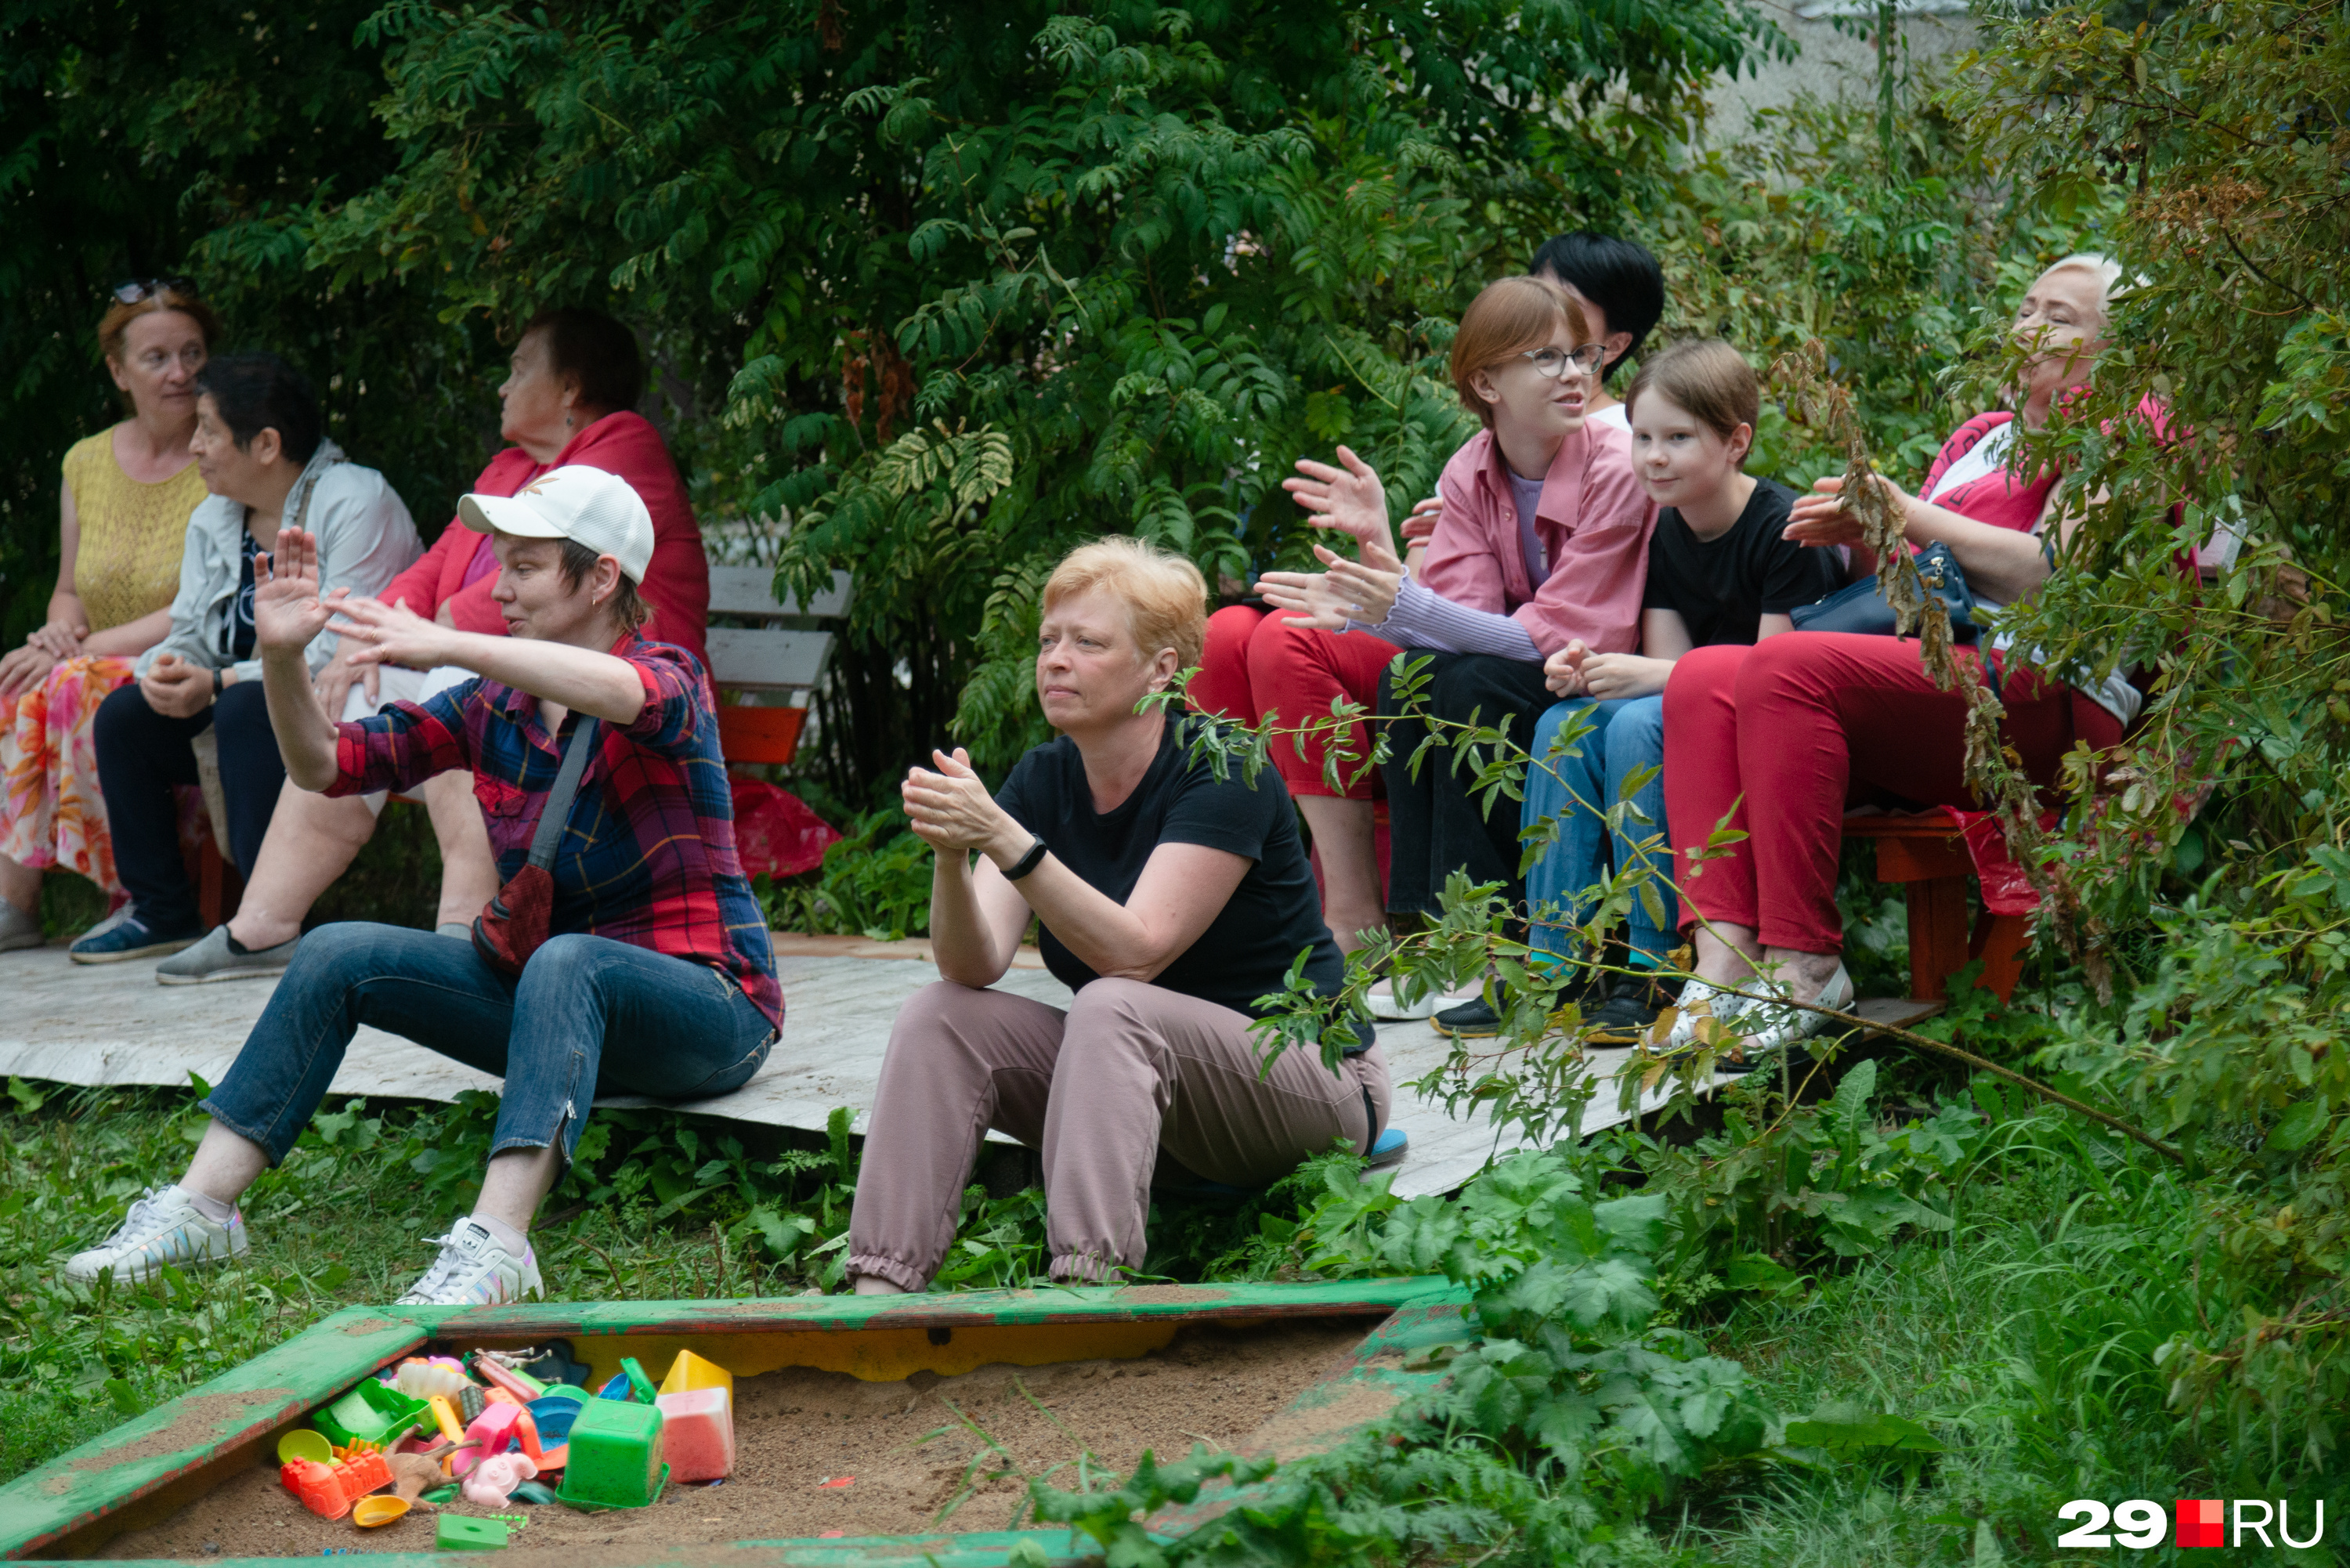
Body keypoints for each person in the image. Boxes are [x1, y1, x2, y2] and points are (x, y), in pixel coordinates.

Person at [60, 466, 780, 1303]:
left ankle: (499, 1244)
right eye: (497, 564)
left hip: (710, 1009)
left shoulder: (672, 675)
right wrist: (284, 659)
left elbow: (625, 694)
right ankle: (203, 1207)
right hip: (563, 1014)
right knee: (337, 951)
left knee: (568, 959)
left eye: (524, 567)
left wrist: (445, 644)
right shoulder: (492, 706)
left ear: (602, 577)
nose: (497, 589)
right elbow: (326, 764)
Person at [846, 538, 1393, 1293]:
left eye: (1087, 642)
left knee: (1113, 1003)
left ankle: (1085, 1285)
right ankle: (880, 1287)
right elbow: (971, 967)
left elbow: (1136, 954)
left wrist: (1004, 838)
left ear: (1162, 668)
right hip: (1150, 1090)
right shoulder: (1043, 776)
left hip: (1310, 1083)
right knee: (941, 1014)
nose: (1055, 660)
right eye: (1048, 641)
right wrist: (952, 854)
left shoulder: (1222, 765)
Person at [1658, 255, 2135, 1057]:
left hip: (2037, 695)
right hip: (1935, 681)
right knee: (1707, 674)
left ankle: (1806, 966)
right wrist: (1873, 530)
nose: (2028, 326)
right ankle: (1722, 967)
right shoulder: (1983, 438)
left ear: (2113, 352)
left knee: (1781, 667)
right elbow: (1927, 582)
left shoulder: (2123, 433)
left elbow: (2050, 570)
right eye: (2025, 305)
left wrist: (1905, 511)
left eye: (2060, 316)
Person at [156, 307, 713, 984]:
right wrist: (361, 643)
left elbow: (499, 601)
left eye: (518, 368)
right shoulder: (509, 468)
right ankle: (263, 926)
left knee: (459, 693)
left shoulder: (618, 450)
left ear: (569, 387)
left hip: (620, 697)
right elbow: (431, 572)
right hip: (504, 676)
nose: (503, 388)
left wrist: (435, 638)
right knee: (365, 695)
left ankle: (463, 928)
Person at [1191, 235, 1665, 967]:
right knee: (1403, 676)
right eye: (1548, 357)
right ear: (1486, 384)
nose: (1575, 374)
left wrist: (1385, 604)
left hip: (1595, 674)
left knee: (1462, 683)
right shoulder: (1468, 469)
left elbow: (1562, 635)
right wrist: (1375, 592)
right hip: (1515, 668)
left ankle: (1479, 937)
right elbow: (1454, 627)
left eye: (1583, 354)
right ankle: (1416, 928)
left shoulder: (1619, 458)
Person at [1515, 341, 1840, 1042]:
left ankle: (1655, 961)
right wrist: (1592, 673)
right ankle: (1555, 957)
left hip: (1767, 724)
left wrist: (1639, 678)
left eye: (1678, 438)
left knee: (1637, 729)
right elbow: (1671, 667)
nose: (1653, 457)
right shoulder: (1665, 529)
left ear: (1736, 442)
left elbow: (1773, 672)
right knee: (1562, 724)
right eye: (1641, 438)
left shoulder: (1783, 530)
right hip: (1695, 702)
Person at [69, 354, 421, 964]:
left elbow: (345, 647)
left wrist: (218, 680)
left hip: (356, 706)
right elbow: (189, 629)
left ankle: (272, 922)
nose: (195, 445)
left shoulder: (354, 500)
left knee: (246, 704)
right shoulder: (216, 514)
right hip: (243, 702)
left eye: (207, 429)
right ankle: (161, 911)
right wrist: (173, 667)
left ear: (265, 444)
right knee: (127, 717)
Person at [0, 284, 219, 952]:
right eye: (156, 357)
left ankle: (135, 897)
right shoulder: (86, 461)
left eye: (192, 353)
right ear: (119, 371)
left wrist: (74, 653)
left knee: (73, 685)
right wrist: (58, 632)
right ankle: (16, 903)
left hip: (182, 656)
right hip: (91, 650)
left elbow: (197, 605)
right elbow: (70, 586)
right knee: (15, 682)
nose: (179, 371)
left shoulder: (220, 457)